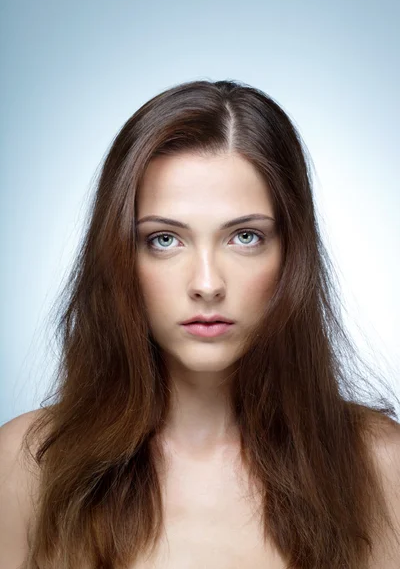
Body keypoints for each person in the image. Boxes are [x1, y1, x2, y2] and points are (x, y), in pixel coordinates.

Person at [1, 79, 399, 569]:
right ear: (119, 256)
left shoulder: (380, 467)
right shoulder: (27, 464)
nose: (207, 283)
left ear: (291, 255)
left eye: (245, 236)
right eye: (165, 240)